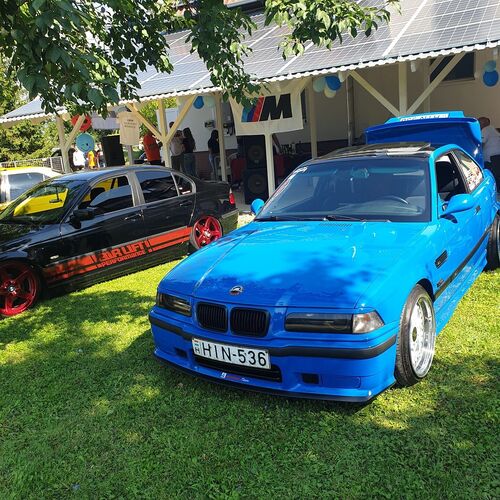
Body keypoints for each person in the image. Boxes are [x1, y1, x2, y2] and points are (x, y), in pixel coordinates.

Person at [478, 116, 500, 190]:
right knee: (496, 175)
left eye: (479, 123)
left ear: (485, 123)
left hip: (491, 158)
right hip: (496, 156)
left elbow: (481, 143)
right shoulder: (492, 129)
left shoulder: (486, 129)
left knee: (490, 175)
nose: (478, 125)